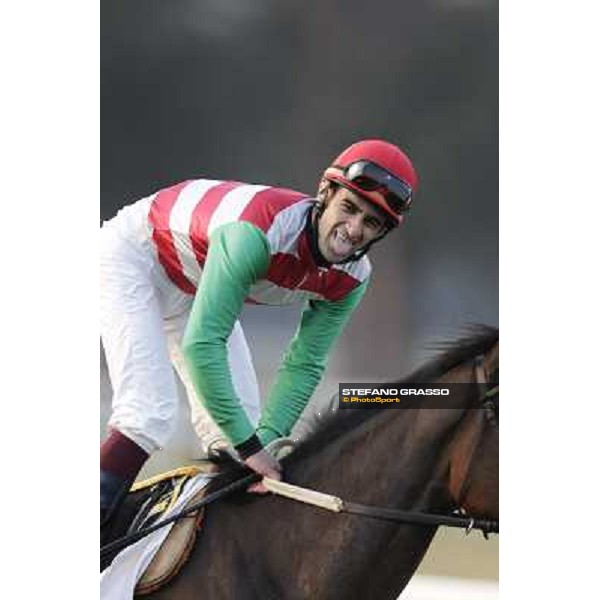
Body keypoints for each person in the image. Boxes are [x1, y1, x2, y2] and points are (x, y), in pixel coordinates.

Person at [100, 138, 418, 532]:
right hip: (136, 256)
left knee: (239, 443)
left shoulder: (353, 278)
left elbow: (305, 364)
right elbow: (202, 346)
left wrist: (260, 446)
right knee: (148, 413)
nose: (352, 230)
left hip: (194, 282)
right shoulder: (257, 232)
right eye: (348, 209)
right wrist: (252, 449)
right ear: (325, 193)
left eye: (371, 223)